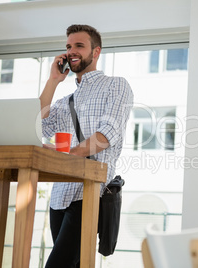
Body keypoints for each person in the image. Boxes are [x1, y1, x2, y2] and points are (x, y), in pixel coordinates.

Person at [40, 24, 133, 267]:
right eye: (68, 46)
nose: (72, 51)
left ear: (96, 52)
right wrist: (53, 81)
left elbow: (105, 136)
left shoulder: (116, 85)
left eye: (79, 46)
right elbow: (37, 126)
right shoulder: (64, 101)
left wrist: (67, 154)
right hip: (59, 196)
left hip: (90, 192)